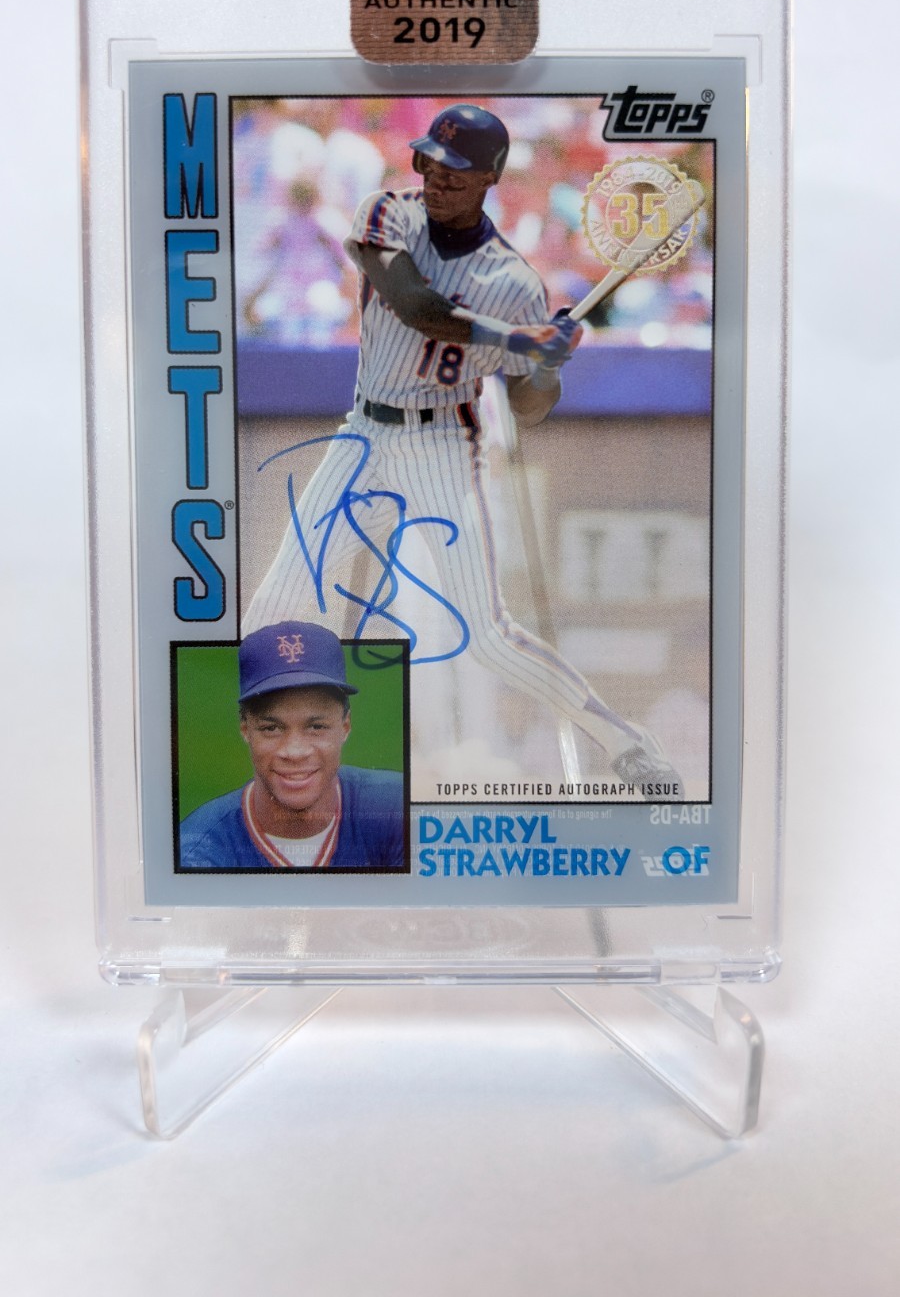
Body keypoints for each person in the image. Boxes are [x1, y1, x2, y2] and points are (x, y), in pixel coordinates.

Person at [243, 104, 683, 799]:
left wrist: (547, 363)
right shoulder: (387, 214)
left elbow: (530, 405)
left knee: (487, 635)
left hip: (445, 446)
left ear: (487, 177)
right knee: (275, 602)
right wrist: (519, 339)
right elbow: (416, 305)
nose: (436, 177)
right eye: (429, 161)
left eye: (454, 169)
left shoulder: (513, 282)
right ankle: (252, 761)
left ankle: (625, 742)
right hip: (367, 434)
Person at [179, 621, 406, 870]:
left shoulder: (397, 807)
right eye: (271, 728)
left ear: (345, 725)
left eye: (316, 726)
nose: (295, 752)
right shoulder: (198, 851)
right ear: (246, 729)